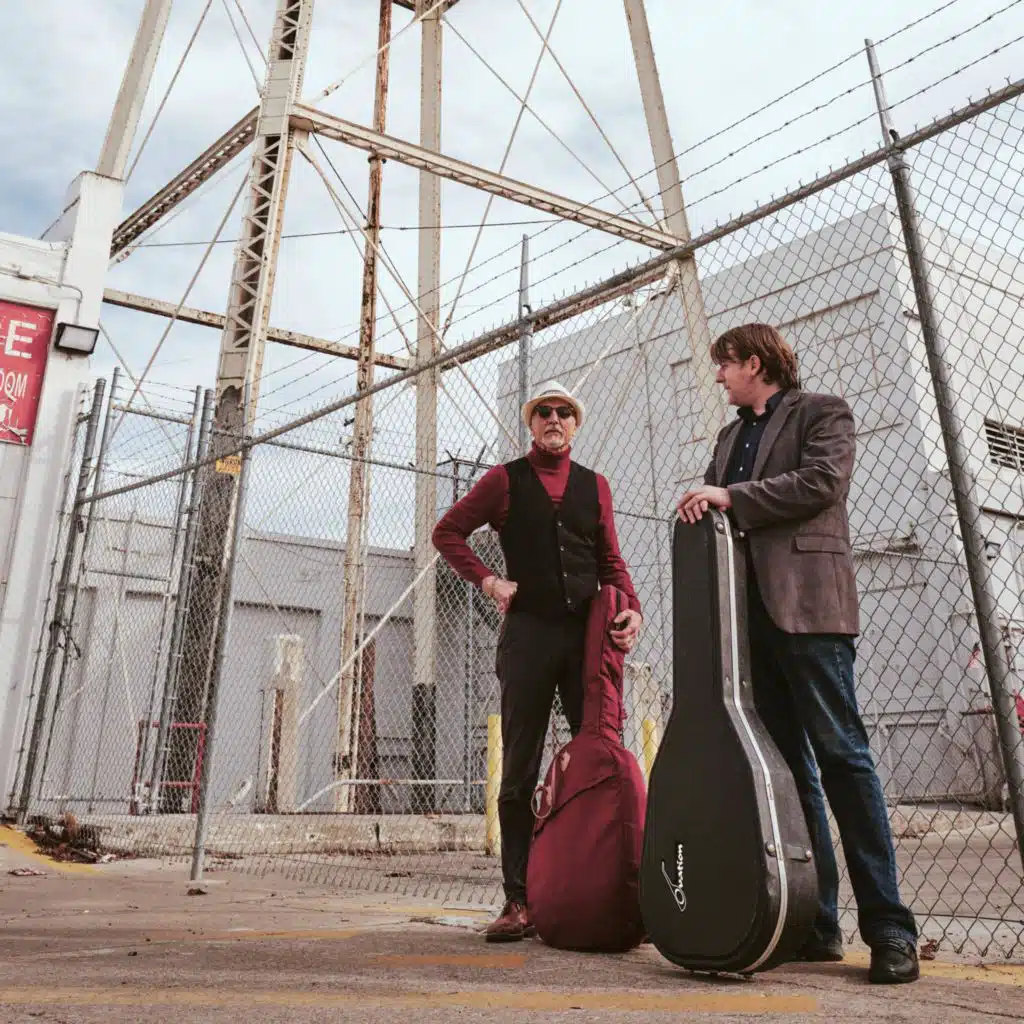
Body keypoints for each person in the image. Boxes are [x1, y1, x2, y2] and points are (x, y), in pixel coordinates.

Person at [676, 323, 920, 985]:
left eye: (725, 365)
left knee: (843, 759)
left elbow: (821, 484)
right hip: (747, 626)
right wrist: (701, 509)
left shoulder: (823, 412)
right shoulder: (727, 439)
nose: (719, 377)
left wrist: (730, 497)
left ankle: (890, 931)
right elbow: (720, 514)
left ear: (755, 364)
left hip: (810, 612)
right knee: (790, 775)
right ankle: (817, 925)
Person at [432, 380, 643, 942]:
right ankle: (519, 899)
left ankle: (608, 888)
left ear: (575, 424)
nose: (554, 419)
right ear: (531, 423)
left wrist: (632, 609)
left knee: (602, 755)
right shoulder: (504, 480)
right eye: (544, 412)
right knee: (520, 768)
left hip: (585, 641)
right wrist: (489, 581)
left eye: (564, 412)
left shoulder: (595, 486)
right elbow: (447, 532)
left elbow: (611, 560)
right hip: (527, 637)